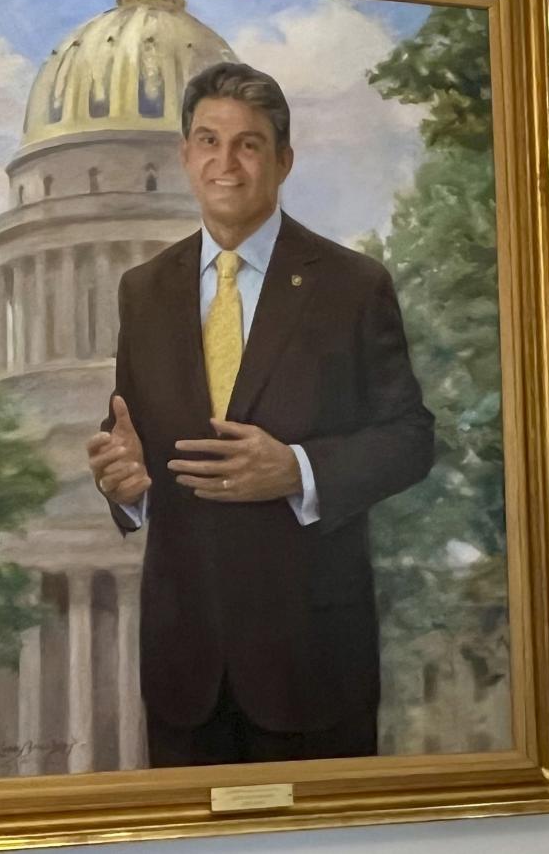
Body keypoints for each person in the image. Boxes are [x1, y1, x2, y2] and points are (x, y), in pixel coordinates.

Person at [86, 62, 433, 767]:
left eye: (248, 144)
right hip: (184, 669)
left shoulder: (353, 286)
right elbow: (129, 439)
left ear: (283, 160)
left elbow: (410, 438)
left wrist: (298, 470)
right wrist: (123, 485)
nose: (226, 163)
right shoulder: (143, 291)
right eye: (208, 141)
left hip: (312, 664)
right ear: (185, 156)